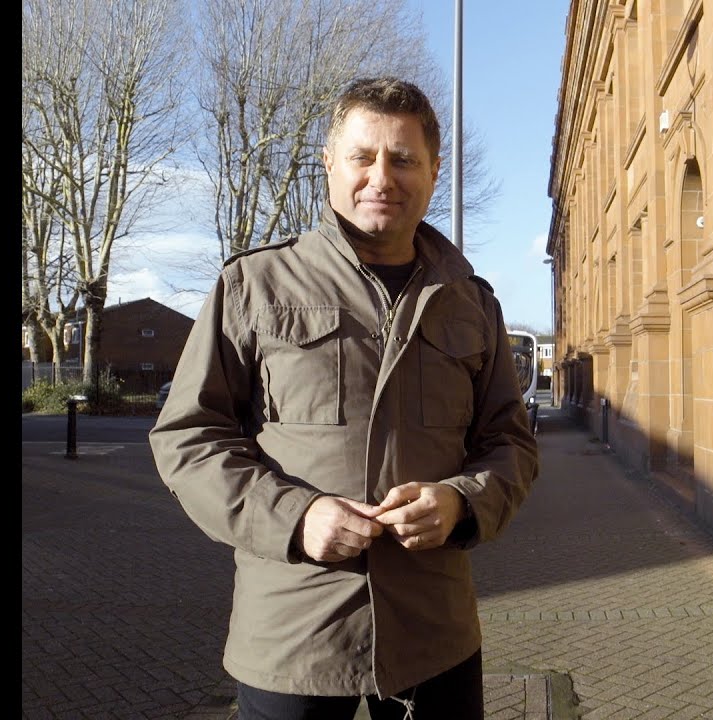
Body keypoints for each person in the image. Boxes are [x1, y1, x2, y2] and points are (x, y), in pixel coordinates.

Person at [149, 76, 539, 720]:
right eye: (362, 156)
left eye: (403, 159)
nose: (381, 177)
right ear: (328, 165)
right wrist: (294, 518)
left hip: (432, 633)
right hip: (295, 633)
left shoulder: (472, 300)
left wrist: (461, 503)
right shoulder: (255, 284)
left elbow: (510, 444)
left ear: (433, 171)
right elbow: (187, 438)